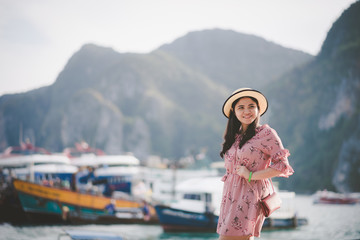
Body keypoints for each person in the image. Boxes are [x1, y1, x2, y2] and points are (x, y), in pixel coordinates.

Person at [217, 88, 294, 240]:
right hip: (230, 196)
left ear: (258, 109)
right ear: (234, 111)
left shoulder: (266, 134)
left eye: (251, 106)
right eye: (241, 107)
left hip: (250, 194)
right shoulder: (235, 136)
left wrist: (251, 175)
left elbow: (282, 166)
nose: (247, 111)